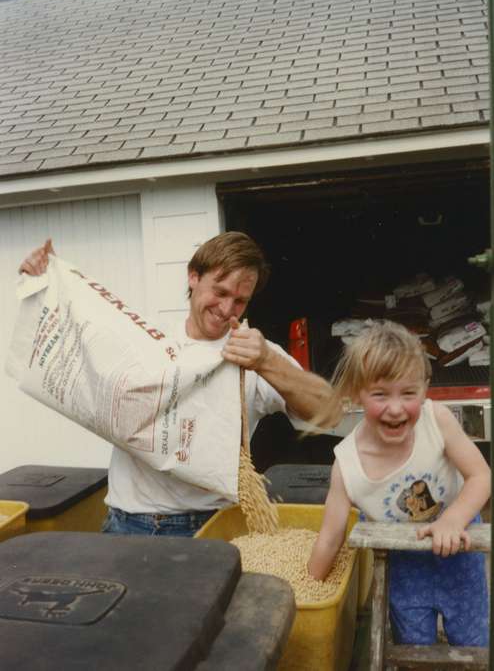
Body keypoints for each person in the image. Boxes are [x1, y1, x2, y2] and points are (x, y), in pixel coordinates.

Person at [19, 232, 331, 537]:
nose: (226, 310)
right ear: (193, 277)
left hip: (216, 525)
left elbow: (327, 412)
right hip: (129, 524)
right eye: (220, 292)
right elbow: (81, 332)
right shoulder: (150, 340)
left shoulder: (256, 351)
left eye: (240, 301)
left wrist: (268, 362)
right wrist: (43, 283)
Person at [307, 320, 490, 647]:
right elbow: (330, 537)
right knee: (412, 648)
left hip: (460, 553)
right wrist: (306, 592)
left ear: (424, 389)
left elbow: (481, 475)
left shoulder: (437, 421)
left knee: (472, 641)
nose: (395, 408)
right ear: (356, 394)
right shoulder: (347, 465)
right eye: (380, 394)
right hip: (404, 569)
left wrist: (452, 519)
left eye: (408, 393)